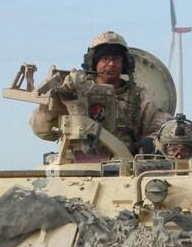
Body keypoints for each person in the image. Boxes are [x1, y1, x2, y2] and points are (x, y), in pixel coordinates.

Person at [29, 31, 172, 156]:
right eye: (105, 59)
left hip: (123, 168)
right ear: (93, 62)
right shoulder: (74, 94)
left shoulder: (138, 99)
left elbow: (164, 129)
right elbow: (42, 131)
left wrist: (148, 143)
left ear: (125, 64)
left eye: (116, 59)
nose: (110, 64)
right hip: (75, 166)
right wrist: (51, 105)